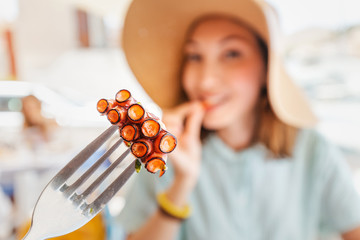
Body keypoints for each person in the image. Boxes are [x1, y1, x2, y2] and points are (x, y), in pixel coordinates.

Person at [117, 0, 360, 239]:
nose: (206, 81)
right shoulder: (166, 153)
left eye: (232, 54)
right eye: (194, 56)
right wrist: (183, 182)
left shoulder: (313, 150)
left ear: (266, 70)